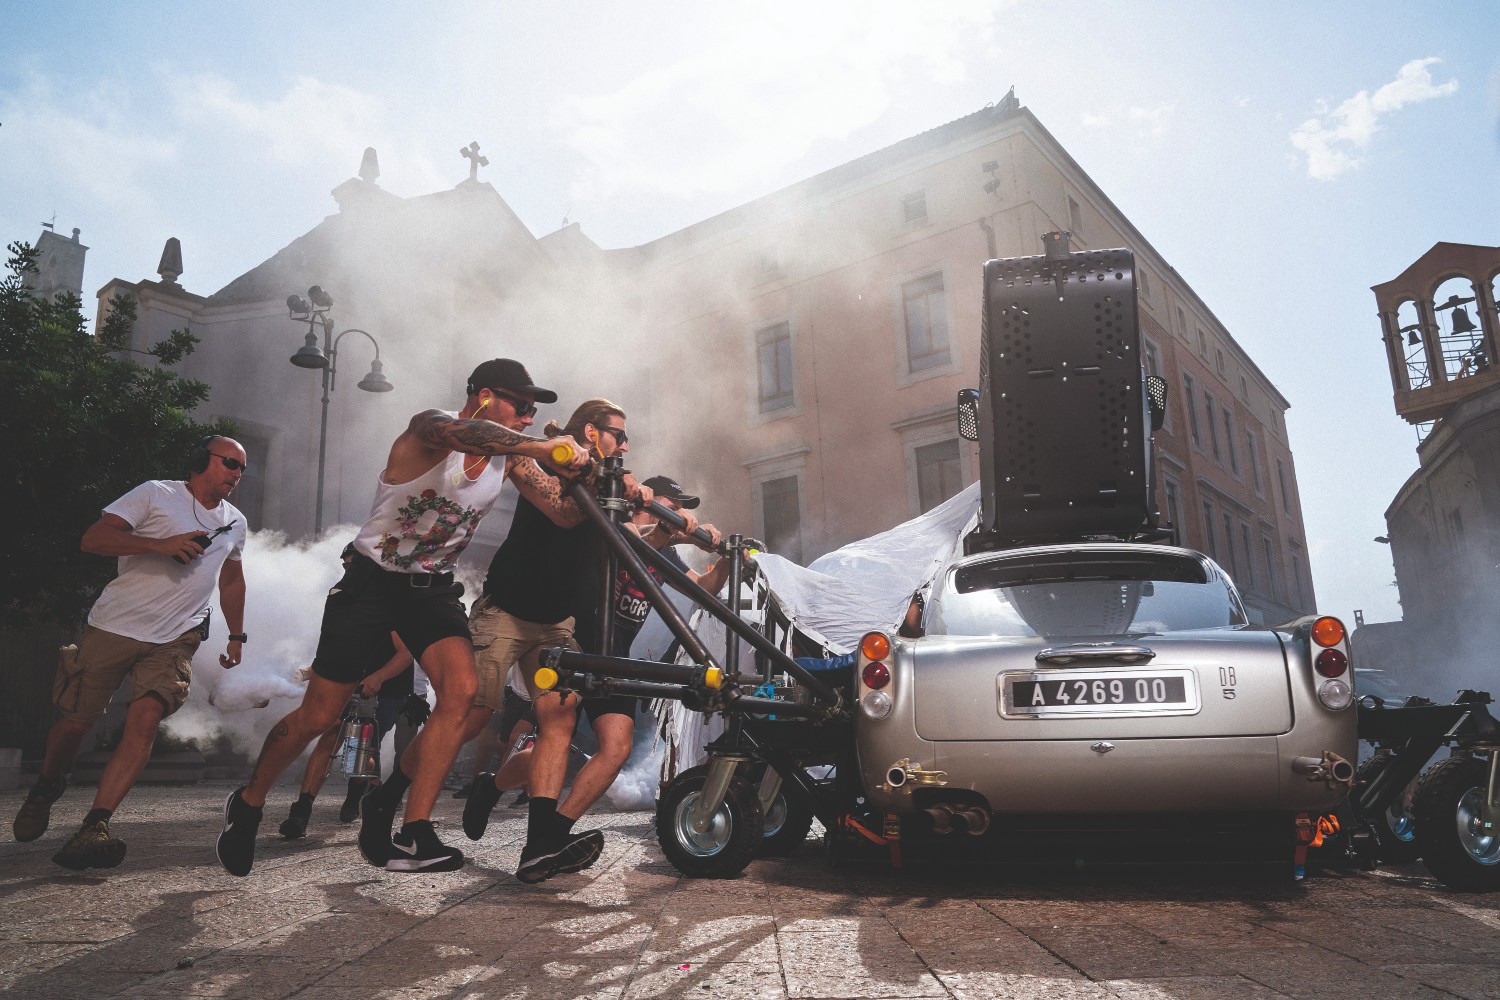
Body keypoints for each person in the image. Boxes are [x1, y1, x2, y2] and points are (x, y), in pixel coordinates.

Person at [215, 359, 586, 876]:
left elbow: (564, 514)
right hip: (370, 583)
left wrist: (586, 479)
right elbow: (458, 430)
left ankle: (414, 827)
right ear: (481, 395)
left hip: (432, 591)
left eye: (532, 409)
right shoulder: (431, 432)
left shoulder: (513, 462)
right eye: (519, 405)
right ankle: (249, 803)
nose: (528, 416)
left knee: (460, 694)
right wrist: (538, 447)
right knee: (319, 717)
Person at [13, 435, 249, 870]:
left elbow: (231, 580)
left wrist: (237, 636)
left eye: (242, 469)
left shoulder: (235, 522)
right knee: (74, 724)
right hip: (114, 626)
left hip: (177, 636)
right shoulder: (155, 493)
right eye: (229, 463)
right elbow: (94, 538)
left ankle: (95, 826)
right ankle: (47, 784)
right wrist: (158, 544)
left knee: (144, 721)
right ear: (201, 460)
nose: (236, 474)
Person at [457, 399, 662, 883]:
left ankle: (548, 839)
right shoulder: (555, 460)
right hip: (564, 624)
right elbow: (565, 512)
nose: (628, 445)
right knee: (549, 734)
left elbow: (635, 539)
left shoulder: (610, 485)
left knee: (613, 746)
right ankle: (493, 797)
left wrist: (684, 531)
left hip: (606, 639)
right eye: (619, 434)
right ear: (591, 432)